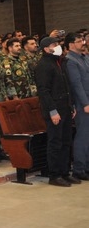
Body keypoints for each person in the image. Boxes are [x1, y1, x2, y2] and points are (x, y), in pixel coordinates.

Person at [36, 37, 78, 187]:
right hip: (54, 109)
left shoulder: (59, 62)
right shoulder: (43, 65)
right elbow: (43, 91)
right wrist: (53, 111)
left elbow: (66, 86)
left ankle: (64, 172)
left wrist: (71, 105)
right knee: (55, 142)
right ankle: (54, 175)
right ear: (46, 49)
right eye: (54, 44)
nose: (58, 46)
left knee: (66, 141)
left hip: (65, 107)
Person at [65, 33, 89, 181]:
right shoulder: (70, 61)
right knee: (83, 136)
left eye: (83, 40)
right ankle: (79, 169)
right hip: (82, 102)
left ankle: (87, 166)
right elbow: (76, 85)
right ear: (71, 44)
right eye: (79, 41)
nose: (82, 43)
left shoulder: (83, 57)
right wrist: (85, 103)